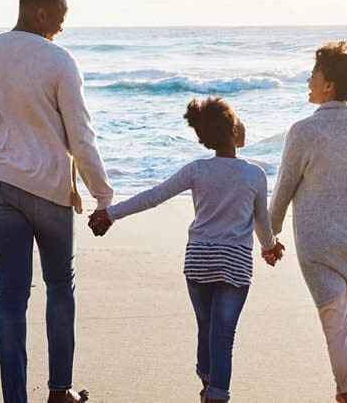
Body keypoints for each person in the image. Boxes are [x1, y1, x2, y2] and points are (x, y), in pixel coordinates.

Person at [0, 0, 114, 403]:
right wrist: (102, 195)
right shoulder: (59, 60)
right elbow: (80, 136)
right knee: (59, 286)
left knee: (10, 296)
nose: (63, 28)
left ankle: (15, 398)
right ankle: (59, 390)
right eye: (61, 18)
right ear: (41, 13)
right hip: (47, 190)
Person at [88, 96, 282, 402]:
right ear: (234, 131)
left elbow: (155, 195)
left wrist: (110, 214)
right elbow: (262, 223)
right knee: (224, 336)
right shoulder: (254, 174)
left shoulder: (196, 169)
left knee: (206, 327)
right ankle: (217, 394)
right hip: (234, 263)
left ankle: (207, 384)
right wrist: (270, 247)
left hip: (199, 260)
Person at [267, 41, 347, 403]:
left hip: (319, 244)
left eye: (314, 74)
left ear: (329, 86)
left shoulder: (304, 131)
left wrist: (268, 237)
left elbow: (284, 189)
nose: (308, 79)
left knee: (335, 319)